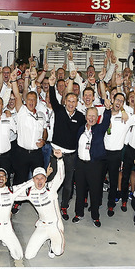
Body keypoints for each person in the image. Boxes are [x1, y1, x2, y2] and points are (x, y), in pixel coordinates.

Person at [46, 70, 86, 219]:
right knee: (52, 180)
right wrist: (51, 85)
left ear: (77, 103)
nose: (70, 104)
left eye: (73, 101)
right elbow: (53, 99)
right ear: (65, 102)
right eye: (68, 101)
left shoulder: (81, 117)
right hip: (55, 152)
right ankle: (49, 205)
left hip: (70, 156)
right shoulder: (59, 110)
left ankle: (64, 206)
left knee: (68, 184)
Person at [16, 149, 66, 259]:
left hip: (55, 225)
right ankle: (45, 237)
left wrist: (60, 160)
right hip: (42, 225)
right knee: (29, 256)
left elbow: (60, 177)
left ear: (46, 179)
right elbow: (14, 194)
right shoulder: (30, 192)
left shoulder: (51, 188)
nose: (39, 181)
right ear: (33, 179)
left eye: (42, 178)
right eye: (36, 179)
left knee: (57, 252)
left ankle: (53, 243)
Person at [73, 102, 112, 226]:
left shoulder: (99, 129)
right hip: (80, 165)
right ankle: (79, 213)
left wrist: (107, 109)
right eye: (89, 115)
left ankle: (95, 216)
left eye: (94, 116)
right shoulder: (80, 129)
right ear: (86, 117)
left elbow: (106, 121)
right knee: (80, 191)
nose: (91, 118)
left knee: (95, 191)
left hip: (94, 165)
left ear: (97, 118)